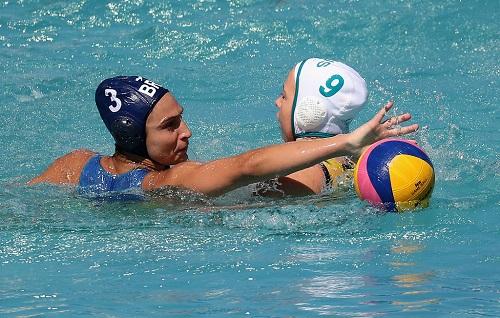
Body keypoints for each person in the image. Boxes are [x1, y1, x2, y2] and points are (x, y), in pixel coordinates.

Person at [28, 75, 417, 198]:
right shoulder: (170, 181)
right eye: (169, 127)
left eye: (181, 119)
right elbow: (248, 166)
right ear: (130, 136)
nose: (187, 132)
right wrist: (347, 145)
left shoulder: (73, 165)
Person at [257, 57, 369, 196]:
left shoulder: (302, 175)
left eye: (284, 96)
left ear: (309, 111)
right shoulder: (351, 159)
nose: (277, 102)